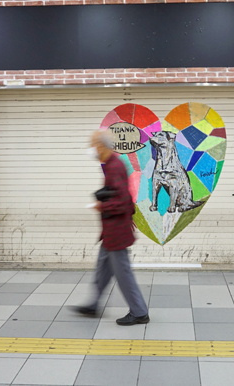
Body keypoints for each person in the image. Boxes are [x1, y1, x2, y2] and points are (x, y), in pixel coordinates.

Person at [74, 129, 149, 326]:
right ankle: (93, 304)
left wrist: (101, 206)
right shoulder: (110, 164)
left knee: (123, 273)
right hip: (111, 231)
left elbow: (124, 201)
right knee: (102, 269)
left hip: (117, 232)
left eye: (92, 144)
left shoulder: (114, 166)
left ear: (100, 146)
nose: (90, 149)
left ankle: (139, 312)